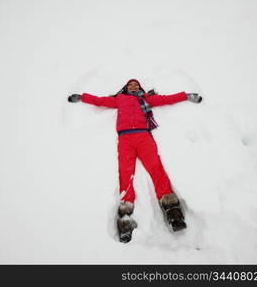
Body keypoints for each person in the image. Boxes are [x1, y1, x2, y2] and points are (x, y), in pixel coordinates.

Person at [68, 79, 202, 243]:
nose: (133, 86)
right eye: (130, 85)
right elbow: (100, 100)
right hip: (125, 139)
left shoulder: (146, 99)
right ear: (125, 88)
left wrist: (186, 96)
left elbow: (167, 99)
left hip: (143, 136)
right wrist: (82, 97)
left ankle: (173, 211)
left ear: (140, 88)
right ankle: (125, 217)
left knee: (156, 168)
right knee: (126, 173)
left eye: (136, 85)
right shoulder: (119, 99)